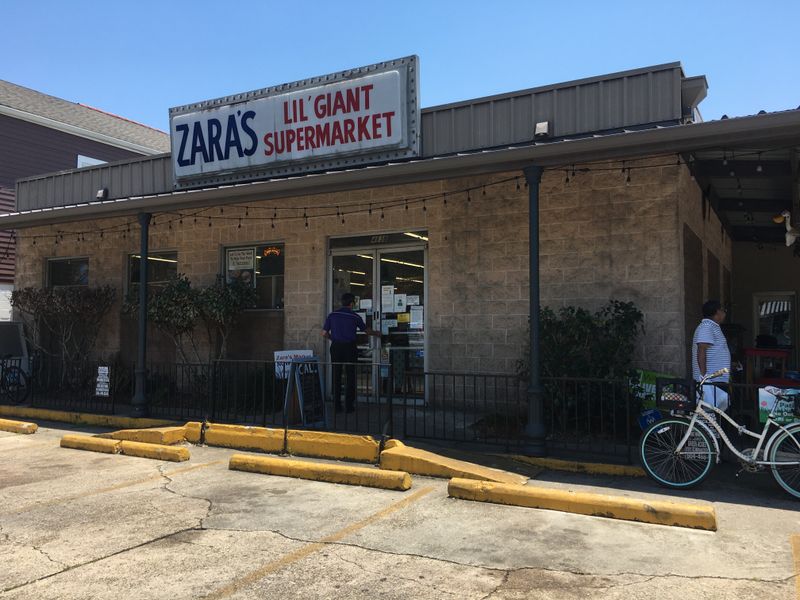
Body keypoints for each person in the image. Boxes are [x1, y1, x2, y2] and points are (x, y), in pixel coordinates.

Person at [322, 293, 379, 413]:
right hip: (349, 348)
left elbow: (324, 333)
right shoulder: (355, 316)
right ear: (351, 303)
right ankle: (349, 406)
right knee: (350, 376)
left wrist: (333, 338)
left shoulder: (332, 315)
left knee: (336, 375)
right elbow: (366, 331)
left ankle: (336, 405)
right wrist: (377, 333)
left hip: (336, 347)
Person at [692, 300, 731, 412]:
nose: (724, 314)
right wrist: (704, 377)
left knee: (716, 415)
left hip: (716, 380)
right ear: (717, 312)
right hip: (711, 381)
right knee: (712, 415)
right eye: (724, 310)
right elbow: (701, 350)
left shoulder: (712, 327)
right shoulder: (707, 326)